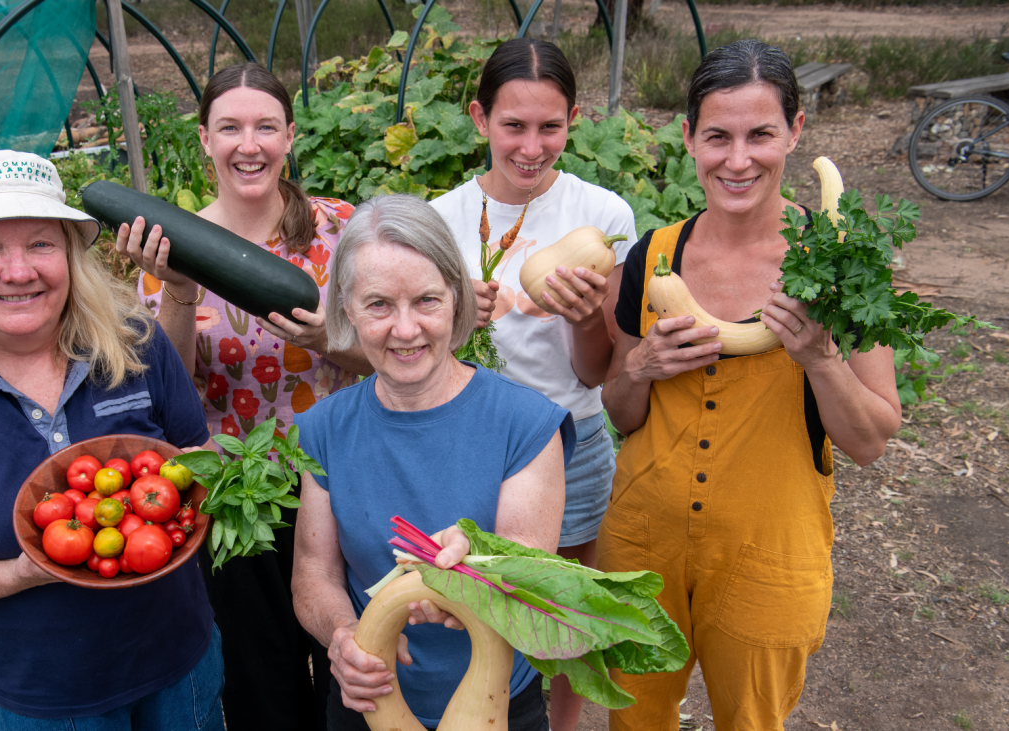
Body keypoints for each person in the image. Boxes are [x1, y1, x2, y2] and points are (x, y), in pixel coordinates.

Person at [0, 150, 224, 729]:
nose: (20, 270)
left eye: (40, 243)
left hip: (180, 665)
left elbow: (197, 464)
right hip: (45, 700)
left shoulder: (136, 346)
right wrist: (17, 573)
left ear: (71, 257)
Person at [597, 40, 901, 730]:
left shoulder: (843, 268)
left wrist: (821, 358)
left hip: (771, 554)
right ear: (689, 139)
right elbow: (621, 409)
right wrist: (641, 366)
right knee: (635, 719)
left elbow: (872, 440)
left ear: (794, 132)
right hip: (643, 543)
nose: (738, 160)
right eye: (718, 137)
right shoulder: (651, 257)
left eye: (761, 134)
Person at [117, 62, 373, 731]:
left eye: (266, 126)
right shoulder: (170, 244)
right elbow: (166, 389)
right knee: (263, 686)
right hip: (236, 501)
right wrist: (177, 290)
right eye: (229, 127)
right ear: (205, 138)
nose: (248, 144)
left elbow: (396, 356)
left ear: (291, 135)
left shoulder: (342, 233)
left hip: (340, 484)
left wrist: (327, 338)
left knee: (356, 670)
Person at [290, 194, 574, 731]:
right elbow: (314, 571)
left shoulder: (525, 423)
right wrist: (344, 635)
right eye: (378, 305)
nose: (404, 329)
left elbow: (533, 571)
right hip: (368, 700)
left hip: (498, 706)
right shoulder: (323, 427)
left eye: (426, 300)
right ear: (346, 308)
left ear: (456, 298)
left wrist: (481, 565)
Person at [428, 37, 637, 731]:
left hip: (568, 438)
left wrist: (583, 319)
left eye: (551, 126)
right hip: (464, 440)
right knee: (471, 598)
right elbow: (419, 356)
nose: (531, 145)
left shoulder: (604, 217)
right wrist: (458, 324)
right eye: (513, 124)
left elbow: (595, 371)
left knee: (566, 606)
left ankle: (562, 724)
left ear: (574, 119)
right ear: (479, 117)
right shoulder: (438, 219)